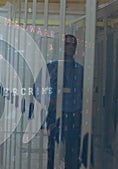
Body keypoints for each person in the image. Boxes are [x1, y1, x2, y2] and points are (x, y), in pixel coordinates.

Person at [35, 34, 84, 169]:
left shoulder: (80, 70)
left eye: (72, 45)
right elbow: (37, 88)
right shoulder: (51, 68)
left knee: (72, 151)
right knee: (52, 149)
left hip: (73, 116)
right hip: (54, 115)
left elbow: (85, 93)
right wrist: (49, 101)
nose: (69, 48)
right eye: (67, 45)